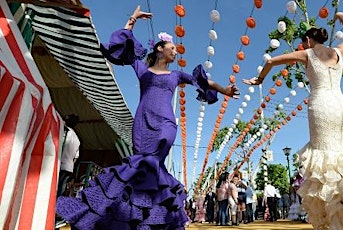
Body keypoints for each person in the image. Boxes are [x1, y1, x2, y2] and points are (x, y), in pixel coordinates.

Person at [55, 5, 239, 230]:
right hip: (142, 123)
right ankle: (134, 218)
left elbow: (201, 81)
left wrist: (224, 90)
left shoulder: (176, 74)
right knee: (139, 169)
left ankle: (154, 219)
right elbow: (122, 45)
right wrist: (132, 18)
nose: (175, 52)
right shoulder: (142, 69)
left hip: (166, 124)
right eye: (172, 48)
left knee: (152, 162)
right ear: (160, 49)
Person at [243, 12, 343, 229]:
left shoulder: (307, 53)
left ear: (307, 40)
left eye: (302, 42)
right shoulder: (337, 52)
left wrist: (259, 80)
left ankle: (338, 222)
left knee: (327, 165)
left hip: (322, 106)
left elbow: (271, 61)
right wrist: (342, 16)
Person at [55, 114, 80, 229]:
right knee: (61, 191)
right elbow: (76, 157)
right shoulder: (77, 139)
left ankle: (50, 213)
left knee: (54, 190)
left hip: (59, 164)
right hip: (69, 167)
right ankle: (56, 214)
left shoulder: (64, 131)